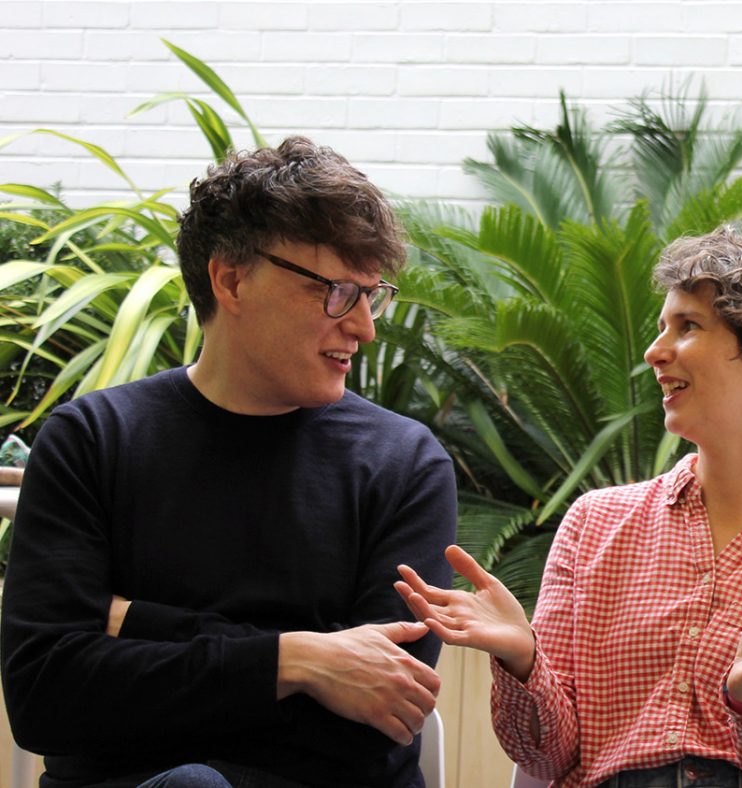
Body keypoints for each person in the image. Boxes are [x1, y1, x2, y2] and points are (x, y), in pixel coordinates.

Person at [0, 137, 457, 788]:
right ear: (232, 278)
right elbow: (46, 697)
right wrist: (293, 659)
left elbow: (378, 714)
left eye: (372, 294)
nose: (364, 327)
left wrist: (142, 627)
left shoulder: (404, 463)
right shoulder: (92, 441)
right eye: (336, 293)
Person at [395, 226, 742, 787]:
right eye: (663, 328)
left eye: (689, 327)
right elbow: (545, 760)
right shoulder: (594, 525)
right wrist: (523, 661)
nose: (654, 352)